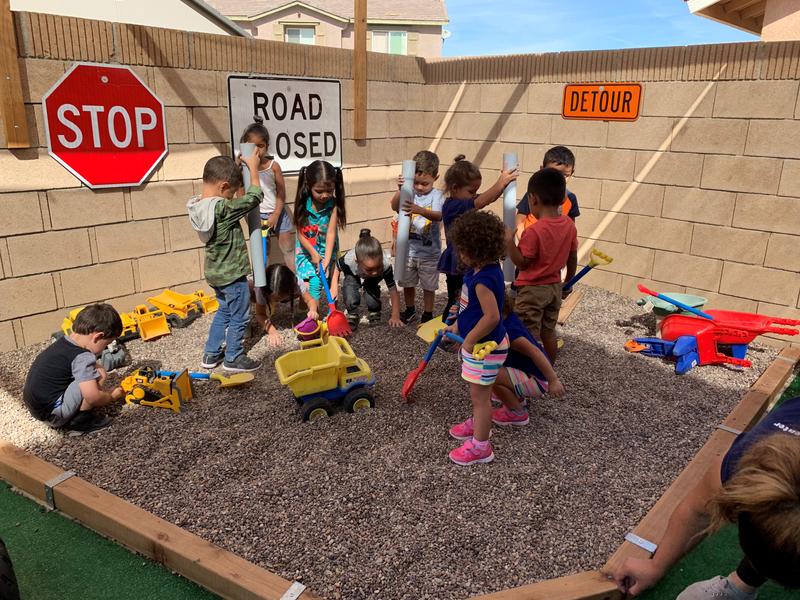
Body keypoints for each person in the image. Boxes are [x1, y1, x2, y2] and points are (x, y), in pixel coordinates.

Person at [613, 397, 800, 599]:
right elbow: (696, 511)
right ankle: (742, 584)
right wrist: (655, 565)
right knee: (775, 539)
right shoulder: (743, 466)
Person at [188, 150, 264, 373]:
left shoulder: (197, 206)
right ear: (222, 187)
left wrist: (236, 166)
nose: (231, 197)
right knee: (240, 315)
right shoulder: (221, 209)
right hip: (232, 275)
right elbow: (254, 197)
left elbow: (231, 192)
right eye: (230, 193)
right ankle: (234, 357)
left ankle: (211, 355)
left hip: (215, 274)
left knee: (224, 311)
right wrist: (253, 168)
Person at [444, 210, 509, 466]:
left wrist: (469, 339)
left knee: (480, 397)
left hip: (486, 346)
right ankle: (479, 421)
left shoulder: (483, 279)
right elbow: (470, 308)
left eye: (463, 249)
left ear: (477, 249)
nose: (459, 254)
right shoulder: (479, 270)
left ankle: (481, 446)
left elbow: (492, 316)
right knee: (479, 393)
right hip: (483, 342)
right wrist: (457, 326)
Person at [506, 168, 577, 363]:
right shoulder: (569, 225)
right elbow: (572, 257)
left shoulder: (534, 231)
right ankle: (548, 370)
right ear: (563, 198)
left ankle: (525, 371)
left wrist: (508, 242)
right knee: (548, 332)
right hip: (554, 287)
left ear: (533, 199)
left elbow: (522, 263)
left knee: (524, 334)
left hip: (532, 290)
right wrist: (568, 282)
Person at [437, 155, 518, 320]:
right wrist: (500, 182)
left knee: (470, 297)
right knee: (457, 299)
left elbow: (488, 198)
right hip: (457, 260)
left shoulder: (462, 199)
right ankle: (448, 326)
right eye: (471, 191)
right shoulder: (452, 206)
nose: (474, 195)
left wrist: (502, 182)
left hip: (468, 258)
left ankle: (468, 323)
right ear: (454, 188)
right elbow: (482, 201)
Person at [22, 304, 124, 435]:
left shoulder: (63, 342)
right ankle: (80, 422)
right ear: (97, 337)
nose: (105, 348)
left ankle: (73, 413)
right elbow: (92, 397)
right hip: (53, 414)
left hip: (36, 407)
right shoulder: (83, 357)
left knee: (90, 373)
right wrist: (111, 396)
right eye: (106, 344)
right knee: (98, 374)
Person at [491, 297, 565, 427]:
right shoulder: (508, 318)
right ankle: (514, 395)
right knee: (490, 368)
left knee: (488, 375)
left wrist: (553, 380)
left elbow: (535, 352)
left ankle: (516, 413)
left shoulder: (511, 333)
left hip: (538, 380)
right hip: (528, 373)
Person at [389, 150, 444, 325]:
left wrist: (420, 210)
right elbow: (394, 206)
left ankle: (428, 313)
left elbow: (438, 216)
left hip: (429, 253)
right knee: (407, 283)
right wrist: (401, 190)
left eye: (424, 183)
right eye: (416, 182)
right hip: (409, 251)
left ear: (436, 177)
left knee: (429, 286)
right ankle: (410, 309)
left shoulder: (437, 195)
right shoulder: (409, 191)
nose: (419, 187)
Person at [239, 117, 294, 269]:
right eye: (252, 146)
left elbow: (281, 192)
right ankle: (264, 286)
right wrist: (247, 215)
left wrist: (276, 214)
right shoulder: (243, 169)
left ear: (267, 146)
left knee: (287, 248)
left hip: (277, 213)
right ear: (244, 146)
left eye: (261, 146)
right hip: (257, 214)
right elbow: (240, 192)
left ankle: (295, 282)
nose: (257, 150)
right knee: (262, 253)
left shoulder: (273, 166)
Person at [293, 160, 346, 304]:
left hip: (327, 249)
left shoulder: (333, 204)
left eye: (329, 191)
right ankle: (308, 311)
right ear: (308, 186)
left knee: (329, 284)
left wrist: (327, 259)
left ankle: (331, 313)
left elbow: (331, 234)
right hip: (306, 250)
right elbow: (300, 233)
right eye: (319, 191)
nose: (324, 195)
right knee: (311, 284)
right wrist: (313, 253)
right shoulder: (303, 204)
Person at [337, 229, 403, 329]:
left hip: (370, 276)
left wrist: (395, 316)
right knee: (349, 286)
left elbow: (393, 290)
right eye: (370, 269)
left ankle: (374, 311)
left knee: (371, 288)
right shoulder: (349, 260)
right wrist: (333, 288)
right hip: (354, 272)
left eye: (377, 267)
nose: (375, 272)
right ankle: (352, 313)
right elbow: (337, 268)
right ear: (357, 261)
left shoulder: (384, 265)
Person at [515, 146, 580, 240]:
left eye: (565, 175)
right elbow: (520, 219)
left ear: (572, 173)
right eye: (552, 173)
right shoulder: (534, 193)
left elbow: (571, 229)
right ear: (542, 169)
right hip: (530, 245)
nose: (558, 179)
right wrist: (524, 241)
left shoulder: (571, 198)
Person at [251, 264, 319, 347]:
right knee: (252, 294)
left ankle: (301, 312)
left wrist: (313, 310)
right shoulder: (261, 290)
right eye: (275, 298)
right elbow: (260, 314)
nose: (277, 300)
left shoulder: (296, 283)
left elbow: (310, 300)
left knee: (305, 290)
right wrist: (272, 331)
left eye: (279, 297)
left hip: (291, 293)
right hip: (266, 297)